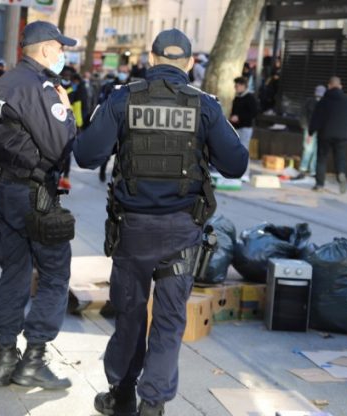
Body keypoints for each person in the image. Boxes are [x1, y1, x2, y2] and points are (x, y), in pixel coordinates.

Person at [74, 29, 248, 416]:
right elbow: (236, 164)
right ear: (188, 63)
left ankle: (120, 395)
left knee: (130, 315)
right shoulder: (205, 106)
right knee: (169, 319)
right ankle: (153, 404)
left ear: (151, 59)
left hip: (132, 232)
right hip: (182, 233)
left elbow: (86, 155)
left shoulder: (121, 99)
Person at [0, 21, 78, 390]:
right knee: (55, 274)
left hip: (7, 189)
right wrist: (68, 112)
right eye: (59, 48)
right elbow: (59, 144)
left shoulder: (4, 82)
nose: (61, 54)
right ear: (44, 49)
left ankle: (5, 357)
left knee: (14, 272)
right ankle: (33, 360)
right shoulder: (42, 87)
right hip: (36, 194)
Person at [309, 76, 347, 194]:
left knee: (322, 159)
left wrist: (311, 131)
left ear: (329, 86)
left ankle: (319, 185)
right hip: (342, 135)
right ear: (340, 86)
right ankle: (341, 173)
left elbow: (316, 118)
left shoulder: (323, 101)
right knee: (340, 157)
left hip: (325, 134)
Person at [96, 66, 130, 182]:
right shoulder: (109, 86)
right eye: (121, 71)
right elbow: (101, 103)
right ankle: (102, 170)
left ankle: (117, 173)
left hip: (127, 124)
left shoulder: (132, 86)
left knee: (123, 151)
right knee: (108, 150)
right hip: (112, 123)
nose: (123, 74)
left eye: (125, 72)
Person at [230, 76, 259, 181]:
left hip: (245, 128)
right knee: (235, 150)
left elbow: (254, 113)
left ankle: (245, 173)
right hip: (236, 127)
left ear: (243, 86)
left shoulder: (250, 98)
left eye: (237, 85)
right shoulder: (237, 97)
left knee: (244, 150)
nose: (235, 87)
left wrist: (239, 117)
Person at [298, 85, 326, 178]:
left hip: (313, 128)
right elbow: (303, 115)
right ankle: (306, 168)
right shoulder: (313, 102)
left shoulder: (311, 102)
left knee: (311, 149)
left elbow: (303, 115)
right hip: (312, 128)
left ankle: (309, 169)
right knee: (310, 149)